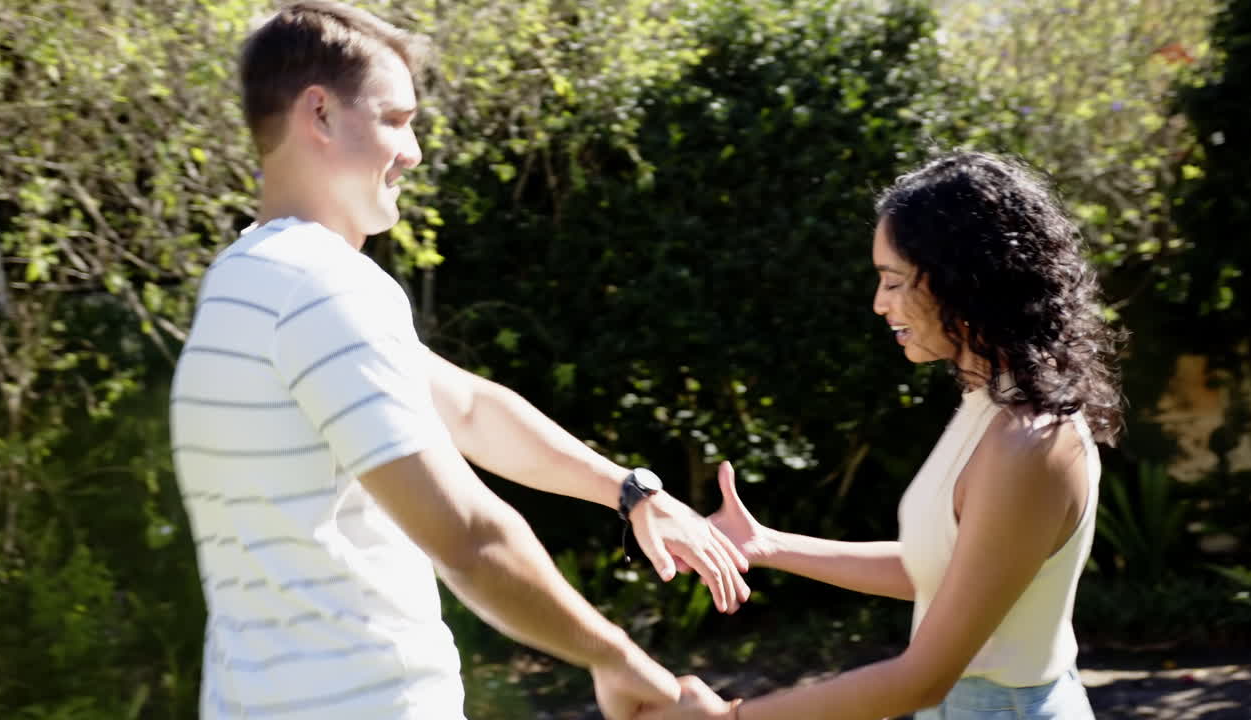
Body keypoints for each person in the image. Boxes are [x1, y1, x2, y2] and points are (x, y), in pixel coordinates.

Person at [169, 3, 750, 719]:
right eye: (396, 119)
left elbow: (469, 408)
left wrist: (632, 493)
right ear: (318, 112)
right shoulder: (324, 288)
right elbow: (469, 537)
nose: (413, 151)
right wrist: (619, 661)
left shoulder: (245, 279)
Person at [642, 150, 1124, 720]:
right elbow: (949, 572)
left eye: (893, 281)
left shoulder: (1030, 445)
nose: (879, 303)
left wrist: (730, 719)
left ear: (962, 281)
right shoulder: (988, 409)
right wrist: (770, 545)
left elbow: (922, 678)